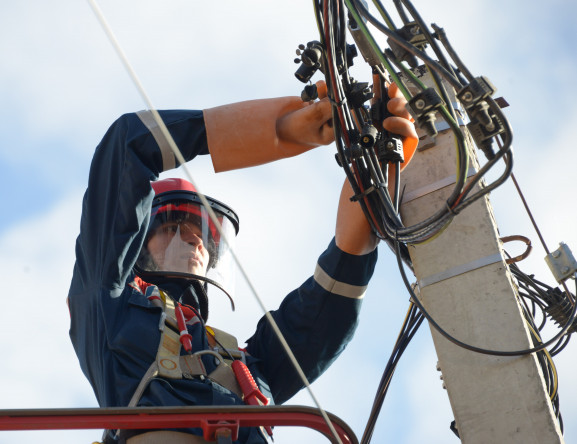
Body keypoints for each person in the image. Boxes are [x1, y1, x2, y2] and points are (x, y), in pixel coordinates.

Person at [67, 81, 418, 443]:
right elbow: (127, 143)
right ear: (137, 242)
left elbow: (324, 311)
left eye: (203, 234)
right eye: (172, 226)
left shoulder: (248, 367)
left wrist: (372, 172)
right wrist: (280, 129)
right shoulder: (110, 311)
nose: (193, 238)